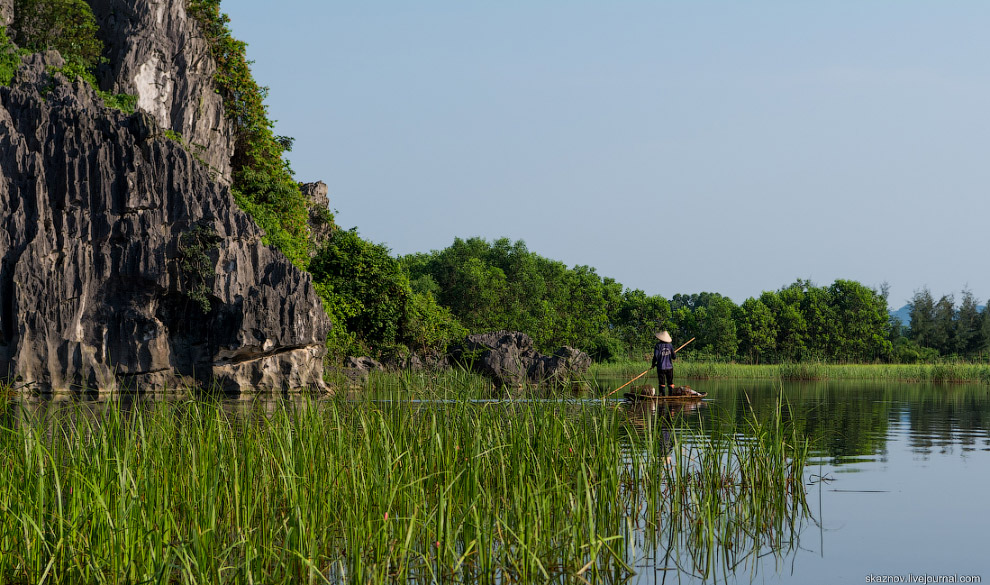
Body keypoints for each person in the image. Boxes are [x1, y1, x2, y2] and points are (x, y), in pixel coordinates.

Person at [650, 331, 676, 396]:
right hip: (669, 367)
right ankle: (671, 395)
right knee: (670, 382)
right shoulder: (670, 346)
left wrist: (653, 364)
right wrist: (673, 353)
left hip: (660, 367)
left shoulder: (658, 346)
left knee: (662, 382)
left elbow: (655, 356)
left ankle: (662, 396)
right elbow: (674, 357)